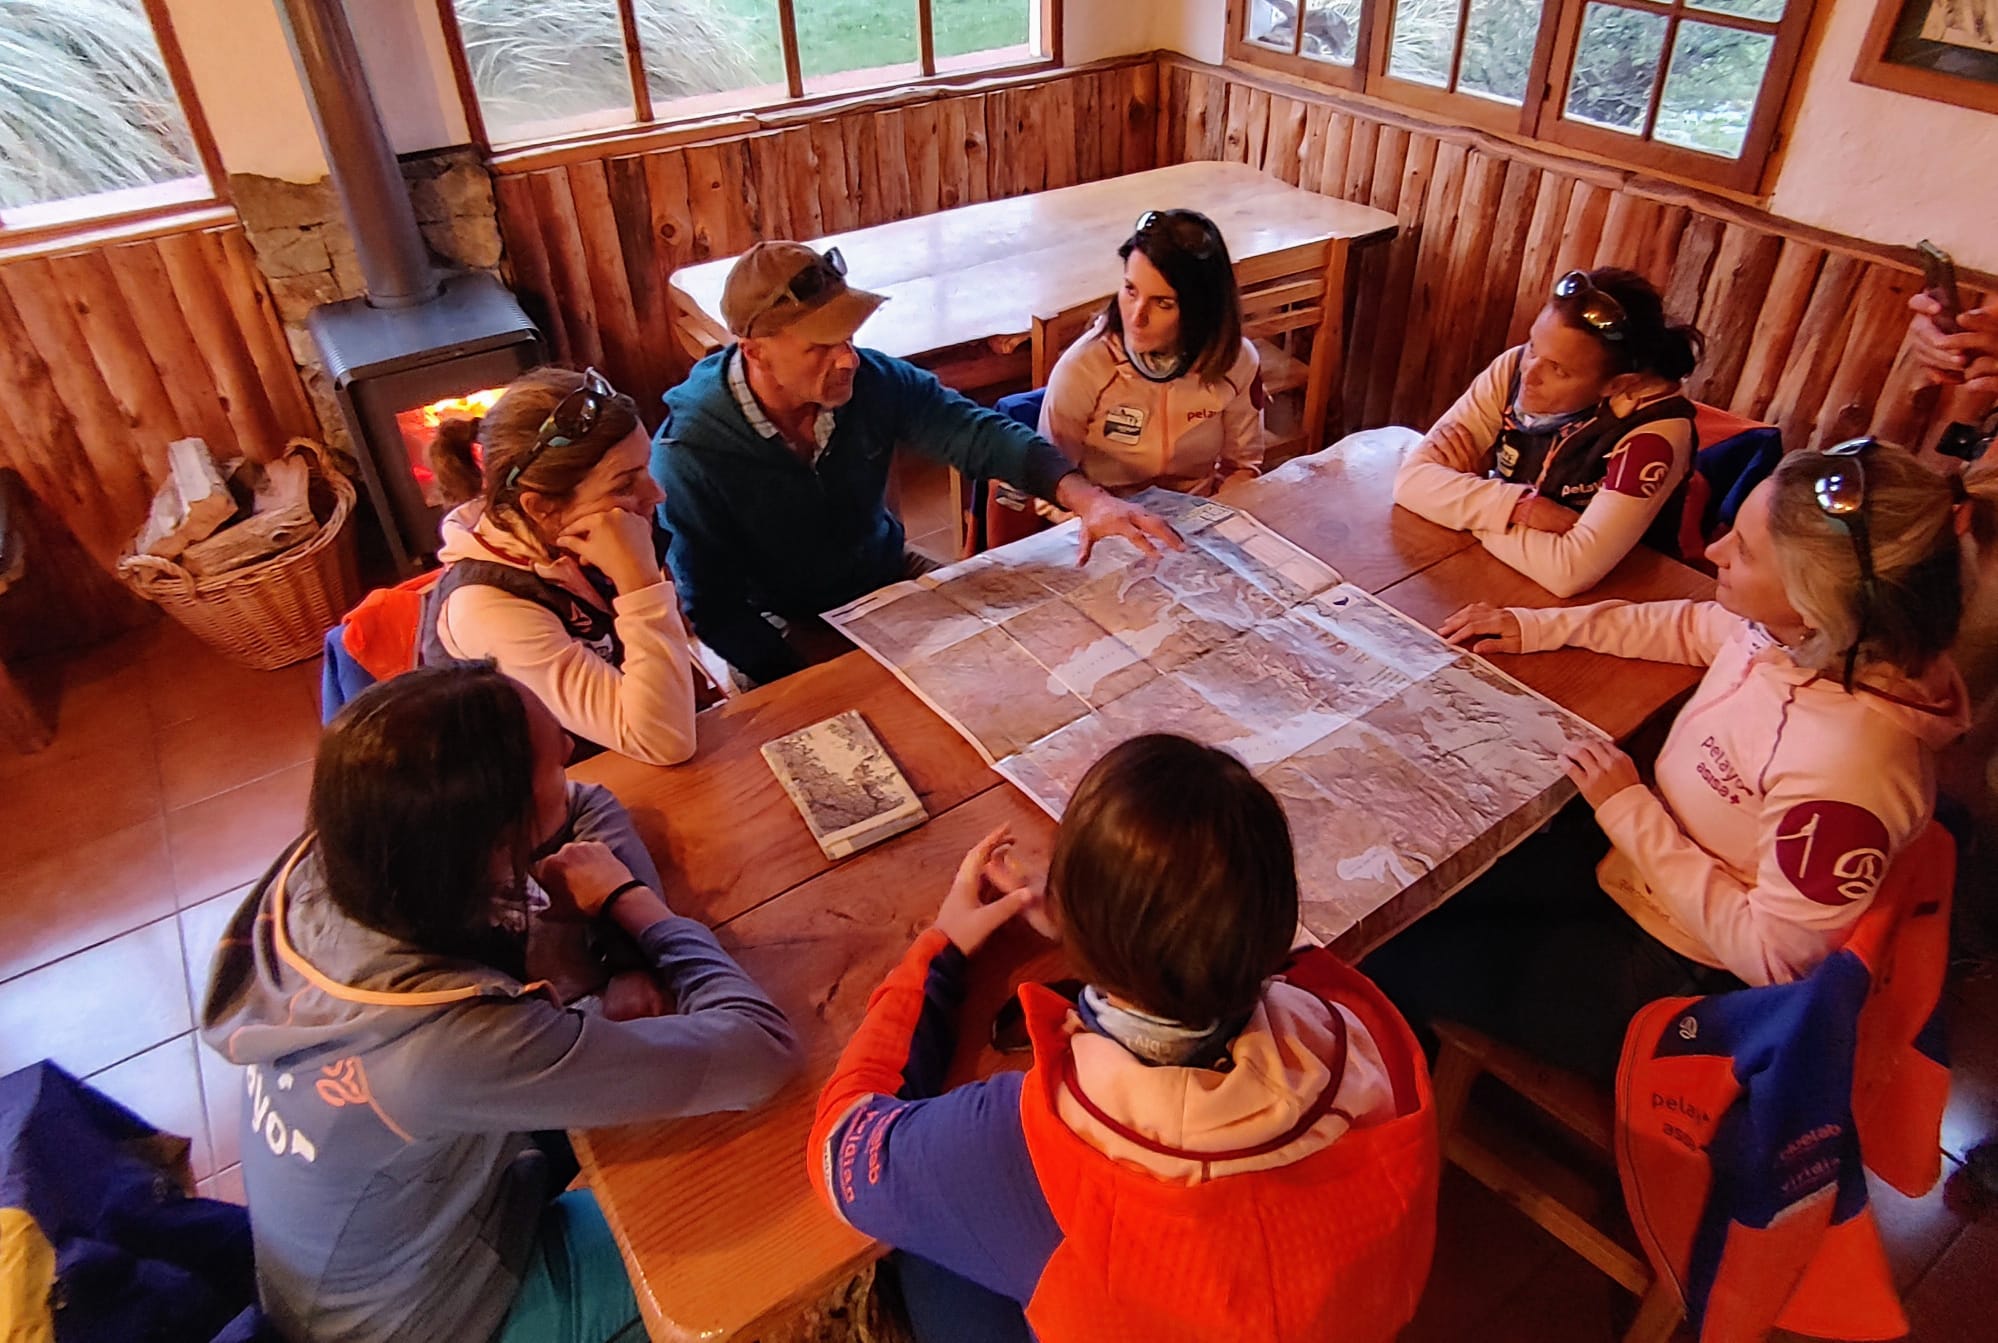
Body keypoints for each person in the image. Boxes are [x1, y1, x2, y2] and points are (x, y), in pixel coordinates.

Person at [199, 664, 798, 1343]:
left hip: (385, 1246)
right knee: (748, 1187)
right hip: (433, 1320)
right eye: (552, 757)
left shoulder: (341, 862)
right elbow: (761, 1051)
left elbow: (587, 802)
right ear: (492, 844)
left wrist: (624, 955)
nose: (571, 753)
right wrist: (631, 902)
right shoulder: (440, 1047)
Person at [1364, 442, 1991, 1084]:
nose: (1715, 551)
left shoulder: (1852, 768)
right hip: (1629, 868)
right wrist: (1539, 627)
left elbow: (1775, 961)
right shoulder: (1803, 640)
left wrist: (1629, 810)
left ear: (1815, 604)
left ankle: (1391, 1106)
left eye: (1742, 551)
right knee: (1416, 881)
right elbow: (1695, 627)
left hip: (1675, 972)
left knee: (1387, 949)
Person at [807, 735, 1439, 1343]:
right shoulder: (1367, 1030)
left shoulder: (1019, 1144)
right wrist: (1128, 941)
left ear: (1066, 916)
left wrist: (938, 948)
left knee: (919, 1253)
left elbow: (841, 1146)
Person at [651, 241, 1183, 688]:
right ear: (755, 351)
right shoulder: (690, 452)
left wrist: (1089, 499)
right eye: (821, 346)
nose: (847, 359)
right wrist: (811, 679)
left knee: (1016, 660)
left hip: (883, 575)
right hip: (780, 620)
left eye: (849, 338)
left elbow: (973, 432)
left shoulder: (869, 381)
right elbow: (715, 609)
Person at [425, 367, 699, 766]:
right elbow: (664, 740)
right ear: (539, 507)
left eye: (647, 468)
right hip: (542, 804)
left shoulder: (585, 535)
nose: (656, 493)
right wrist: (640, 586)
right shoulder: (487, 609)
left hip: (622, 759)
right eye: (624, 484)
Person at [1389, 266, 1703, 598]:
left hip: (1618, 603)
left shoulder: (1656, 435)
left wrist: (1469, 499)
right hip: (1504, 578)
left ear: (1617, 385)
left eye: (1558, 369)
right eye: (1534, 346)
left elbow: (1568, 571)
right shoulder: (1514, 366)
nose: (1530, 373)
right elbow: (1410, 483)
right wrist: (1518, 507)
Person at [1038, 209, 1264, 495]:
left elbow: (1243, 467)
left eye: (1163, 303)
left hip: (1194, 516)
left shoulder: (1236, 361)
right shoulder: (1083, 367)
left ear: (1201, 311)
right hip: (1105, 519)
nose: (1137, 318)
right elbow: (1051, 486)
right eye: (1131, 290)